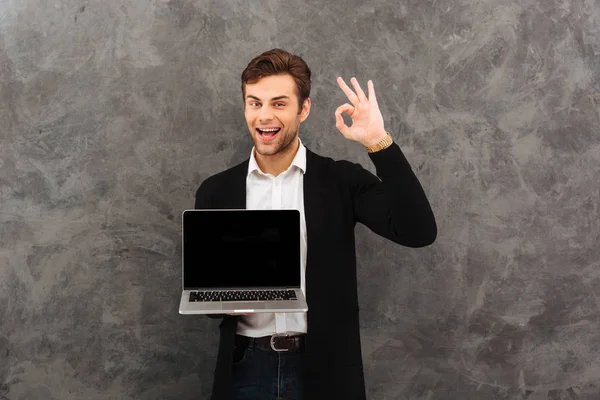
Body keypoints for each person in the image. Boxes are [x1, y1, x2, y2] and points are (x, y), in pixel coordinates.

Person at [194, 48, 437, 400]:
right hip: (245, 368)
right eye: (255, 103)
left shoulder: (341, 180)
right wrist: (224, 302)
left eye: (278, 103)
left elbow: (418, 231)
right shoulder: (216, 191)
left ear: (303, 109)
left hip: (324, 369)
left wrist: (377, 143)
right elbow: (207, 295)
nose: (264, 116)